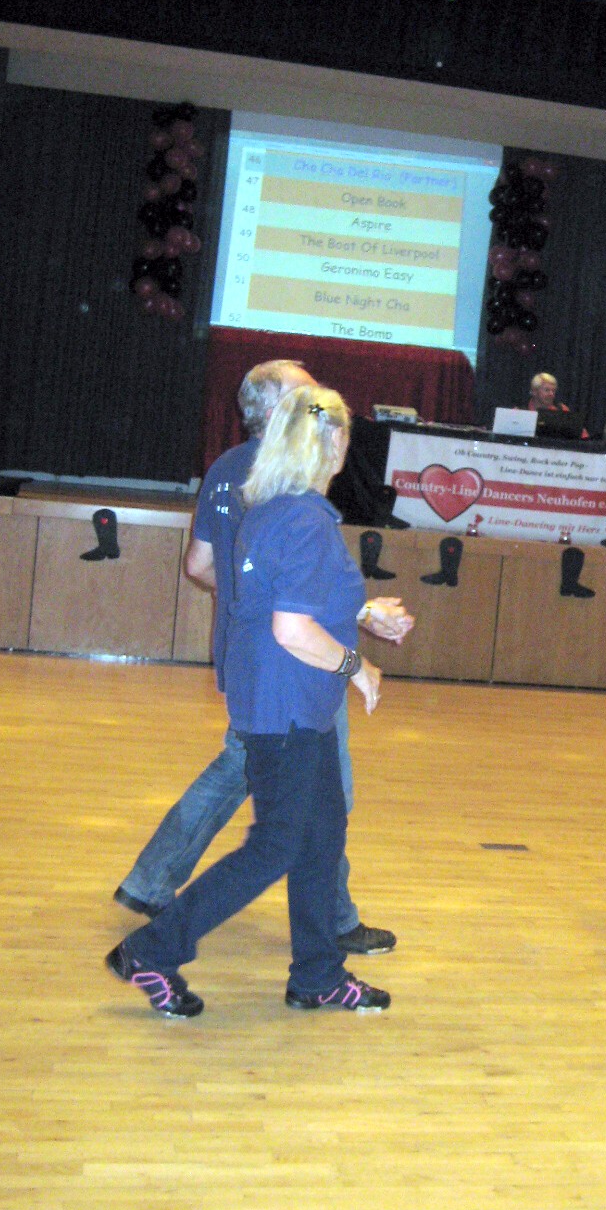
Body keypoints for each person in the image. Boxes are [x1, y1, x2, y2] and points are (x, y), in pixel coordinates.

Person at [107, 385, 390, 1017]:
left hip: (285, 701)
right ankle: (152, 950)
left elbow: (287, 606)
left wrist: (360, 618)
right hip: (289, 704)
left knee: (322, 834)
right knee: (277, 847)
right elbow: (294, 629)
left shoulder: (271, 509)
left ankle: (318, 975)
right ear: (334, 442)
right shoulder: (306, 519)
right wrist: (358, 666)